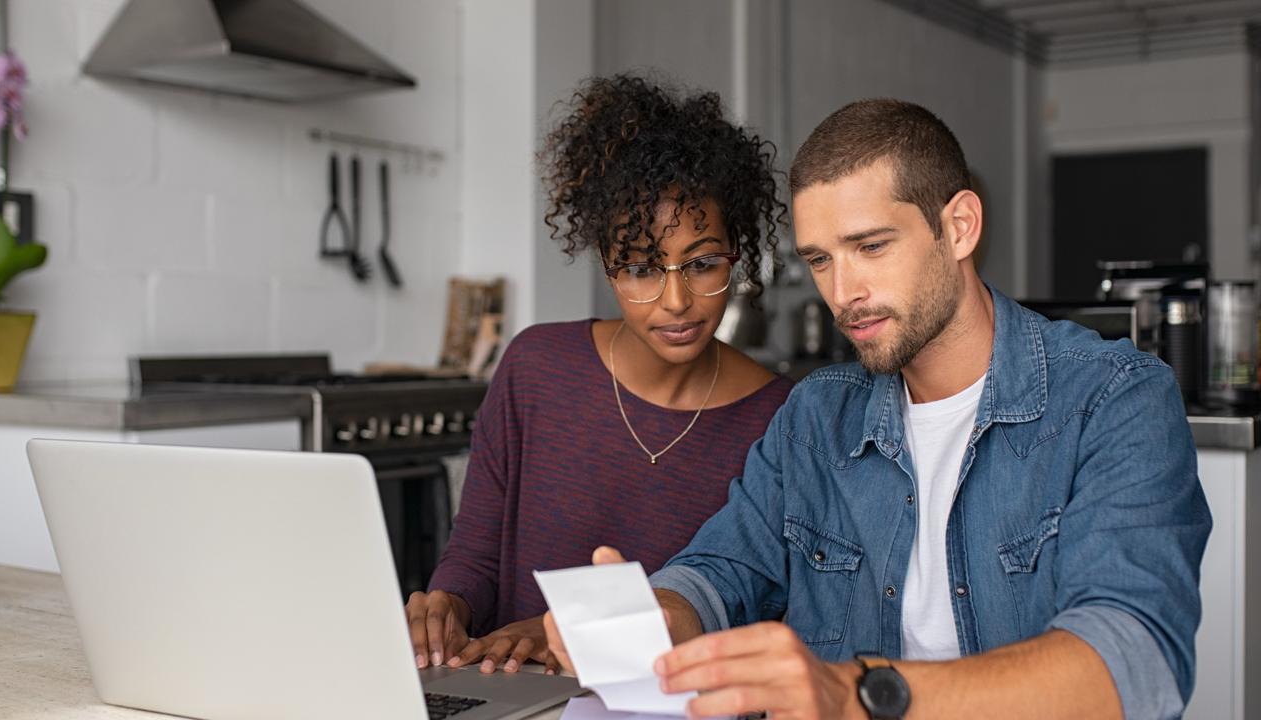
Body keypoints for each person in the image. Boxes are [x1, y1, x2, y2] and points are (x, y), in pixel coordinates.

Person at [546, 98, 1211, 720]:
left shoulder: (1114, 398)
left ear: (959, 227)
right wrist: (659, 617)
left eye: (871, 247)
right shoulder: (816, 416)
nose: (844, 292)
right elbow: (724, 570)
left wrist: (858, 695)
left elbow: (1133, 662)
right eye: (820, 260)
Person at [406, 74, 794, 676]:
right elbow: (476, 555)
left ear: (736, 257)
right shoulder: (535, 368)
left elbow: (752, 609)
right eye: (640, 269)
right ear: (607, 267)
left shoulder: (781, 419)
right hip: (514, 695)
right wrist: (447, 607)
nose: (676, 301)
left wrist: (566, 635)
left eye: (702, 264)